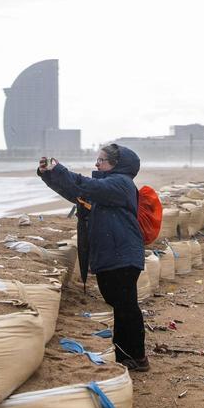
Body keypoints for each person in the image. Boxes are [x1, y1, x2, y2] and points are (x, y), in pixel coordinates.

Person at [38, 143, 149, 372]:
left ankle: (135, 357)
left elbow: (84, 185)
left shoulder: (120, 184)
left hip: (122, 253)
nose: (96, 164)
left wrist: (59, 169)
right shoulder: (104, 187)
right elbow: (75, 192)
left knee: (125, 306)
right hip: (113, 253)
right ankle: (127, 355)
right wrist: (49, 174)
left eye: (101, 160)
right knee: (120, 304)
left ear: (115, 164)